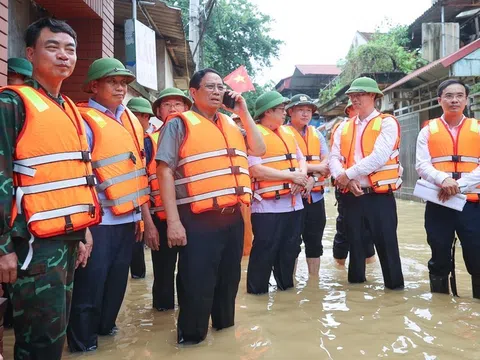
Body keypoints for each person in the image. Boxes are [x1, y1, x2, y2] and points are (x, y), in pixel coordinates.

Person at [0, 18, 100, 359]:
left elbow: (75, 177)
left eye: (70, 49)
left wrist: (83, 232)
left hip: (67, 241)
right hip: (31, 246)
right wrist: (2, 248)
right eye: (52, 47)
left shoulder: (69, 108)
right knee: (37, 343)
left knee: (54, 338)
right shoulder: (11, 104)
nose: (64, 56)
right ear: (30, 53)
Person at [156, 68, 264, 344]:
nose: (217, 92)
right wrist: (173, 222)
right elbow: (164, 171)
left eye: (220, 87)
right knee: (196, 285)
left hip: (232, 218)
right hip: (196, 219)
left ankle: (225, 340)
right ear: (193, 93)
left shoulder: (231, 123)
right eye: (210, 87)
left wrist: (243, 110)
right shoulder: (179, 124)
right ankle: (191, 342)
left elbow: (259, 149)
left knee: (228, 285)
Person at [67, 58, 153, 352]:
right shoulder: (84, 120)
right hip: (99, 222)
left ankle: (106, 339)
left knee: (116, 288)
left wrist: (143, 220)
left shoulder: (128, 119)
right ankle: (83, 346)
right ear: (94, 86)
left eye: (123, 84)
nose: (120, 88)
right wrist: (83, 228)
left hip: (127, 220)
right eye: (112, 82)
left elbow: (136, 172)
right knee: (89, 290)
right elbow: (77, 176)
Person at [329, 77, 404, 290]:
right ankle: (356, 297)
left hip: (378, 196)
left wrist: (346, 175)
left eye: (360, 94)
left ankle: (395, 292)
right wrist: (344, 178)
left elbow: (379, 156)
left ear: (373, 96)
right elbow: (333, 157)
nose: (354, 98)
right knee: (355, 248)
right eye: (352, 95)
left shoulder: (387, 122)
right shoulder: (343, 126)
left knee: (387, 247)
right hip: (350, 195)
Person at [415, 79, 480, 299]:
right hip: (438, 203)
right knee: (439, 256)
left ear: (466, 99)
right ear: (439, 100)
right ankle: (440, 309)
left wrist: (456, 185)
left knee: (477, 256)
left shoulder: (478, 129)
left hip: (472, 204)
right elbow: (422, 165)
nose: (454, 100)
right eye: (449, 96)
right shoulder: (428, 130)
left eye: (459, 96)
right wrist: (443, 179)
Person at [247, 91, 308, 294]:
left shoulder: (289, 133)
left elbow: (301, 160)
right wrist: (291, 177)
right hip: (266, 209)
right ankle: (257, 295)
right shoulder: (253, 134)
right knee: (264, 253)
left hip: (294, 205)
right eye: (281, 110)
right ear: (267, 112)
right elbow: (255, 169)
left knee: (290, 252)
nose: (284, 113)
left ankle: (287, 296)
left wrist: (301, 176)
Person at [149, 88, 192, 311]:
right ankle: (162, 318)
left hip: (191, 215)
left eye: (178, 104)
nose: (173, 108)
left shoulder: (195, 136)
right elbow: (140, 185)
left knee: (191, 272)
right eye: (167, 105)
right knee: (163, 274)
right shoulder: (149, 142)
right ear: (158, 111)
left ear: (187, 109)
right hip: (161, 218)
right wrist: (148, 226)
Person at [285, 94, 329, 276]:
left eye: (308, 110)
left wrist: (314, 178)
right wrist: (314, 168)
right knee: (291, 242)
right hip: (291, 199)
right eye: (301, 110)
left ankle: (314, 284)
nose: (305, 114)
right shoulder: (282, 133)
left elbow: (327, 163)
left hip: (315, 197)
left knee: (315, 241)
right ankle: (290, 281)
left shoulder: (316, 133)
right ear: (290, 112)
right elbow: (288, 165)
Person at [331, 100, 376, 267]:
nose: (357, 110)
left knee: (368, 229)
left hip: (370, 187)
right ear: (348, 111)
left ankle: (370, 264)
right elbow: (334, 159)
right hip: (344, 186)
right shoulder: (341, 129)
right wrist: (347, 179)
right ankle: (340, 264)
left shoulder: (374, 127)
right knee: (344, 227)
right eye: (352, 108)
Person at [126, 97, 159, 280]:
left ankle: (138, 277)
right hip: (125, 205)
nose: (136, 119)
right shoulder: (121, 137)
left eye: (140, 115)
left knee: (139, 248)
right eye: (133, 115)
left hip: (146, 205)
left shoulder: (150, 141)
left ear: (147, 118)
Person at [232, 114, 254, 256]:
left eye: (242, 122)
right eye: (237, 122)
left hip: (249, 191)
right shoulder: (229, 138)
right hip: (233, 191)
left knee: (248, 227)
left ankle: (246, 255)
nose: (240, 125)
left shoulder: (251, 139)